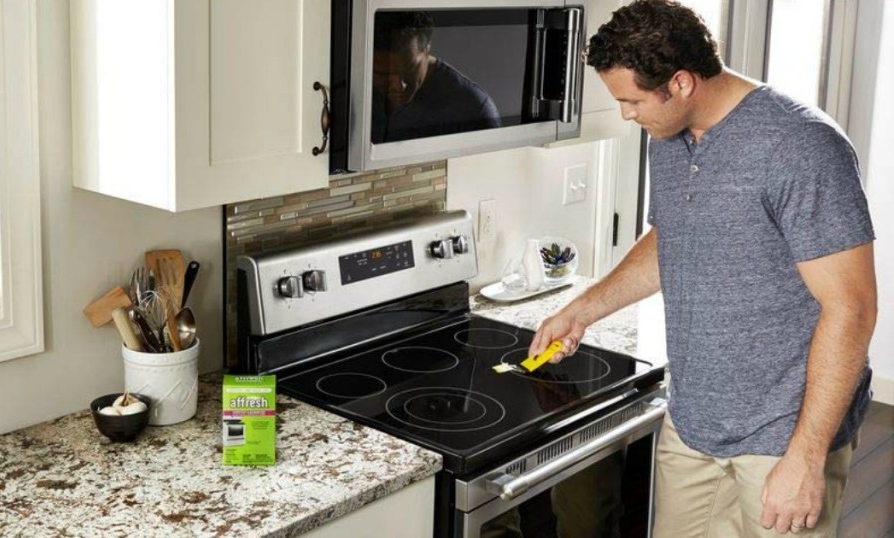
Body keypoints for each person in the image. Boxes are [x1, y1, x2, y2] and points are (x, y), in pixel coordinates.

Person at [528, 1, 877, 536]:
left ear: (683, 82)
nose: (626, 114)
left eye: (632, 100)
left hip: (782, 435)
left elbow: (851, 308)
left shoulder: (800, 146)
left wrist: (805, 457)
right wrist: (584, 308)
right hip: (693, 421)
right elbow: (675, 236)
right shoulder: (668, 135)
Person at [371, 11, 501, 143]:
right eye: (383, 74)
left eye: (410, 69)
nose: (399, 85)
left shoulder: (474, 110)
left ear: (427, 47)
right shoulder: (353, 83)